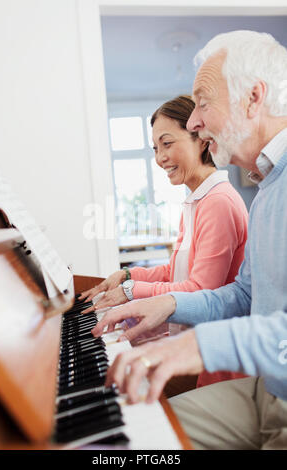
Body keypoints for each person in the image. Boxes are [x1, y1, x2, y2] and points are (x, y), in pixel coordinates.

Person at [93, 30, 287, 450]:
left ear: (253, 97)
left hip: (275, 391)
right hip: (267, 386)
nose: (196, 122)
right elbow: (242, 294)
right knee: (124, 440)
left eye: (202, 102)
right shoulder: (268, 188)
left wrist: (194, 342)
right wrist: (165, 302)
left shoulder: (234, 196)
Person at [81, 95, 248, 387]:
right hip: (194, 342)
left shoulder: (218, 201)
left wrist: (132, 291)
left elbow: (200, 291)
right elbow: (174, 273)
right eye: (156, 148)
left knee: (116, 382)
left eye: (167, 144)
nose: (159, 159)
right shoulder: (197, 200)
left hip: (214, 360)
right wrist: (128, 276)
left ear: (201, 140)